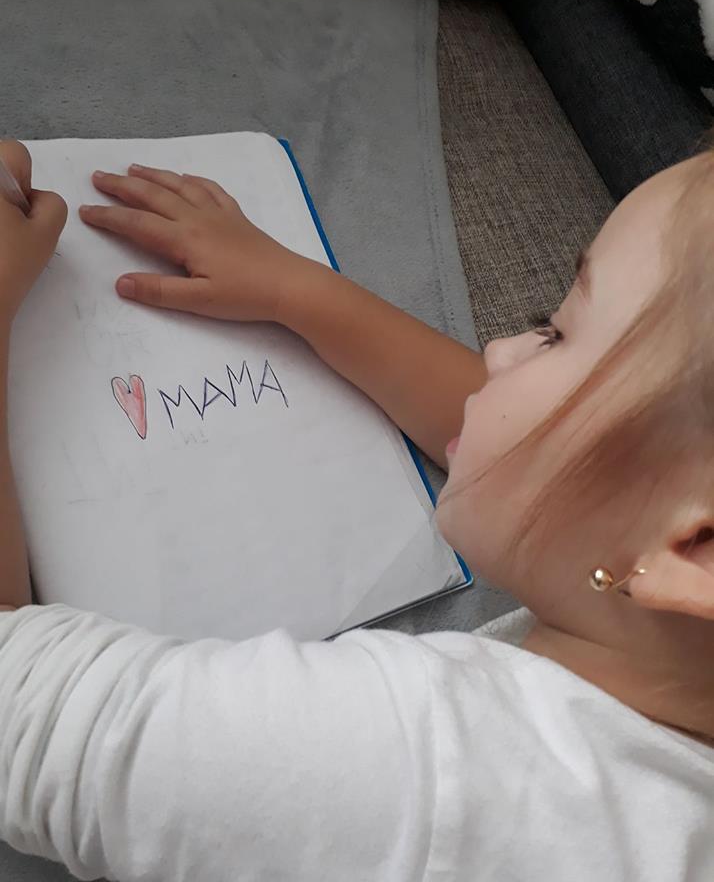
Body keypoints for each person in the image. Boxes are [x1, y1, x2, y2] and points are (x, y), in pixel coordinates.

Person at [0, 138, 713, 882]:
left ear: (695, 549)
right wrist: (292, 289)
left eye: (555, 333)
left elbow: (23, 715)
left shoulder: (438, 775)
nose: (500, 351)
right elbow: (552, 462)